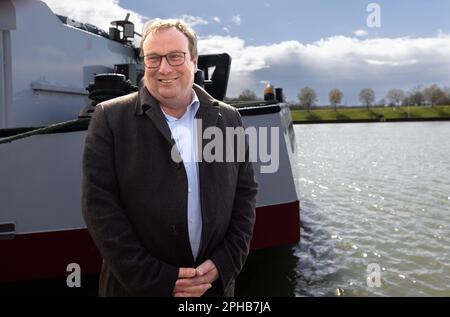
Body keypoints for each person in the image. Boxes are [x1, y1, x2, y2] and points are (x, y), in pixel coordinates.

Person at [81, 19, 258, 297]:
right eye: (153, 58)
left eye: (175, 56)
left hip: (212, 288)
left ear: (194, 60)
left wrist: (224, 264)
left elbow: (244, 196)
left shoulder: (229, 119)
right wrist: (156, 278)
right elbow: (100, 209)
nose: (164, 68)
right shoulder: (110, 119)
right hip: (136, 290)